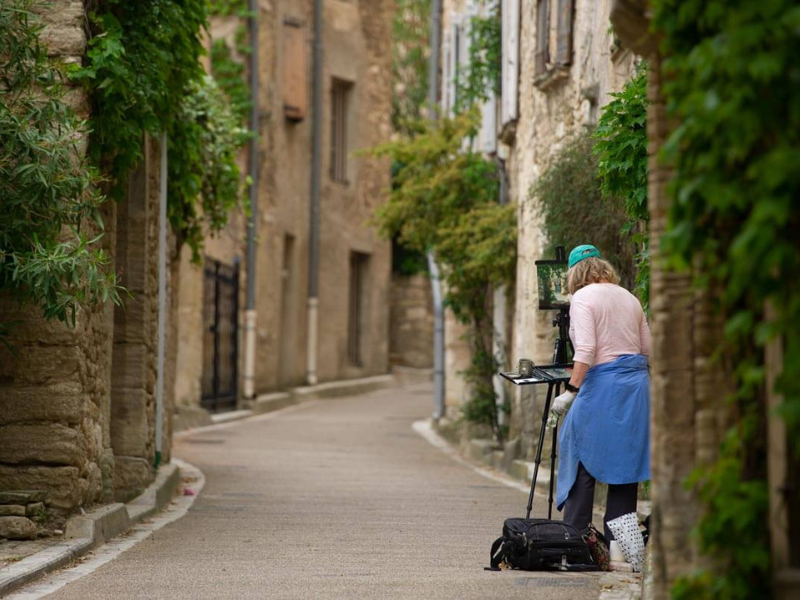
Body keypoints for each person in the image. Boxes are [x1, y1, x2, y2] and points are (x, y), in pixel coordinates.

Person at [550, 244, 651, 544]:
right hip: (636, 387)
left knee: (578, 448)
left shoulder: (582, 298)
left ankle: (578, 538)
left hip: (602, 384)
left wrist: (570, 392)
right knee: (626, 460)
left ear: (574, 273)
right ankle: (620, 544)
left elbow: (587, 350)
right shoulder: (630, 297)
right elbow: (647, 350)